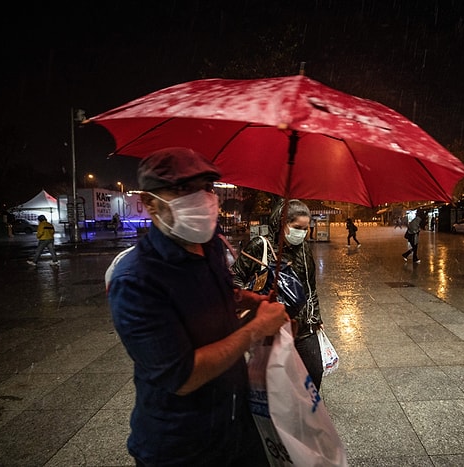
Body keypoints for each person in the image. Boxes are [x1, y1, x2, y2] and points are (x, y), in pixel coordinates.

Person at [106, 147, 289, 466]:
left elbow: (216, 294)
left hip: (237, 427)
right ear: (150, 203)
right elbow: (182, 375)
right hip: (182, 447)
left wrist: (244, 299)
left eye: (207, 187)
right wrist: (256, 329)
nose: (202, 198)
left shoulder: (211, 247)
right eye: (183, 189)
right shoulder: (135, 279)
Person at [231, 198, 325, 390]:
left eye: (306, 228)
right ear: (282, 224)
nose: (302, 233)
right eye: (297, 227)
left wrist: (315, 317)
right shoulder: (260, 245)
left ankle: (306, 412)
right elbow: (235, 277)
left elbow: (310, 286)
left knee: (314, 371)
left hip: (304, 327)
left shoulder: (304, 250)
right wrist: (254, 303)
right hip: (273, 327)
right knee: (277, 380)